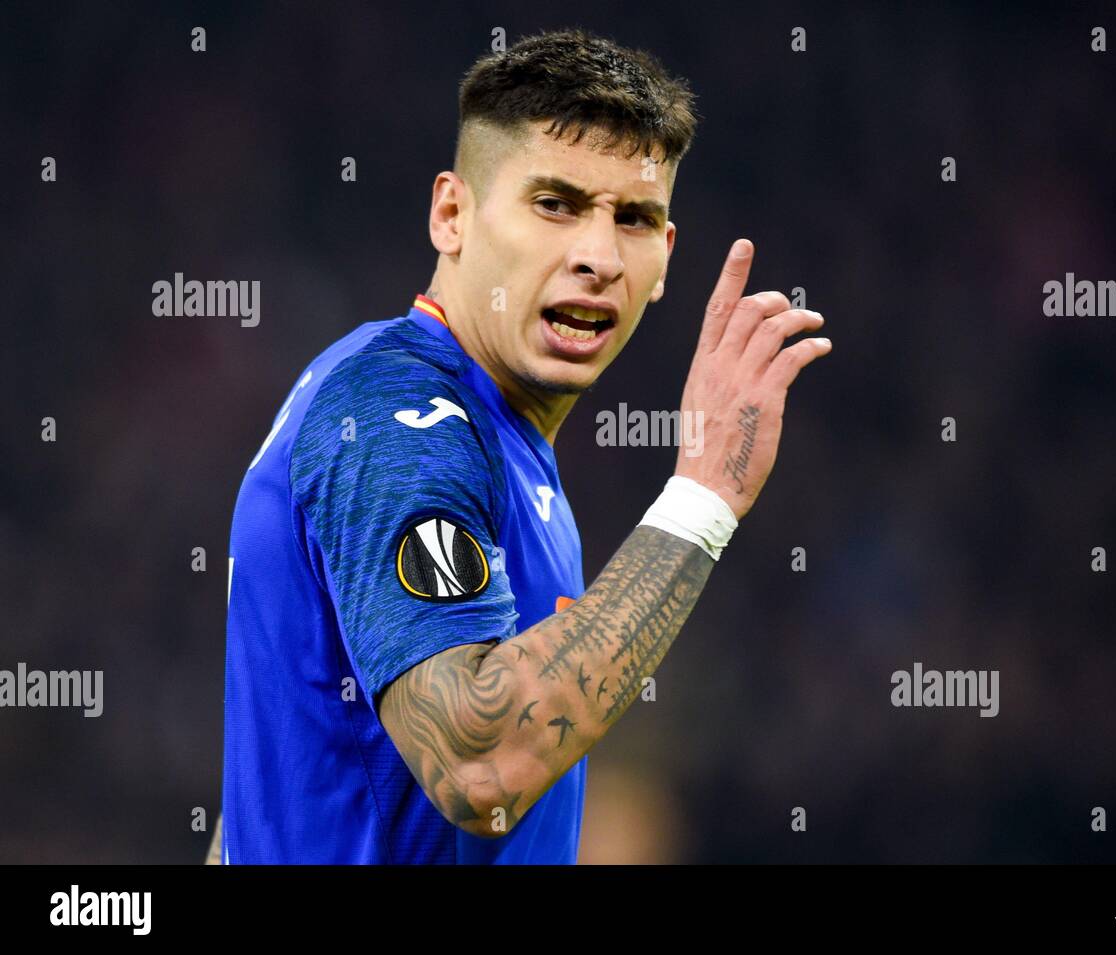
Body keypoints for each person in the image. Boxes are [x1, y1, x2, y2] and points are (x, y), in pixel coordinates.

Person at [210, 26, 830, 864]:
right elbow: (480, 762)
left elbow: (269, 792)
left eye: (636, 219)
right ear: (452, 214)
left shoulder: (490, 435)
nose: (598, 257)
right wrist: (703, 494)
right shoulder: (400, 416)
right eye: (555, 204)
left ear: (666, 259)